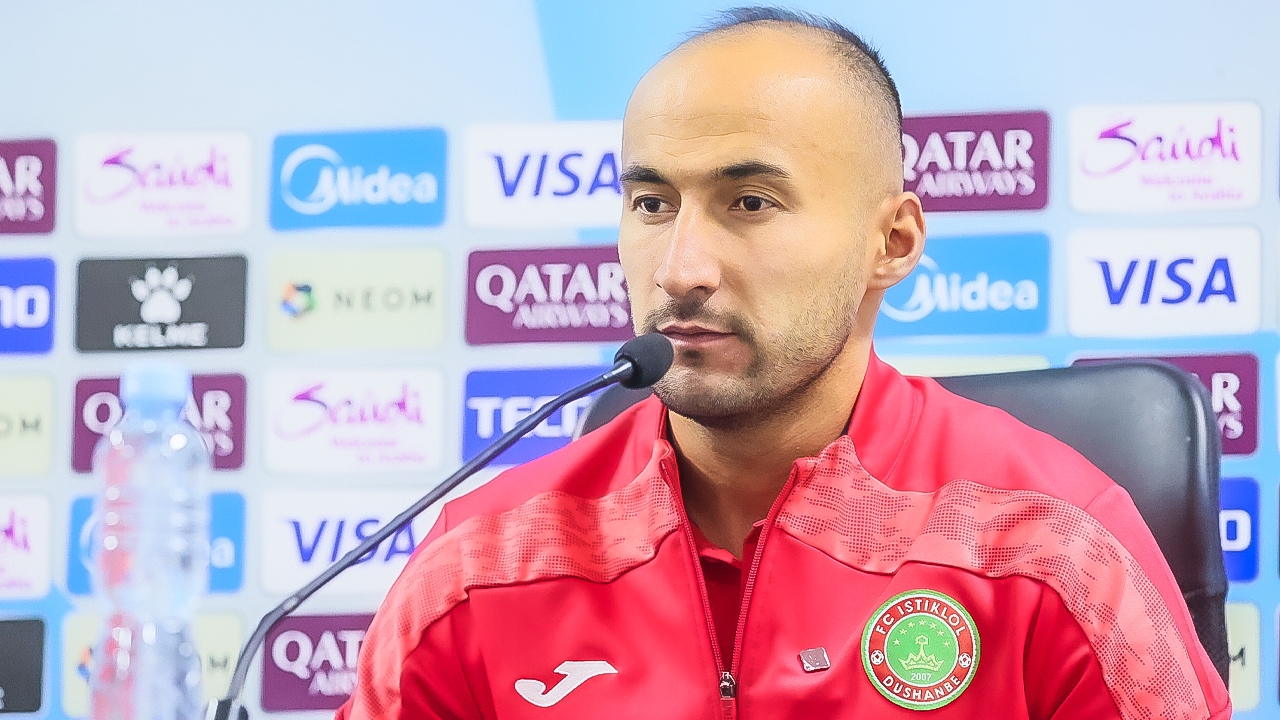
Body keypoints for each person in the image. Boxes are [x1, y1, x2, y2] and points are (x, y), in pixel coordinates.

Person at [338, 8, 1230, 718]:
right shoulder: (482, 564)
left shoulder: (1050, 547)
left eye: (751, 202)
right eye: (651, 203)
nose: (680, 268)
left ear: (892, 242)